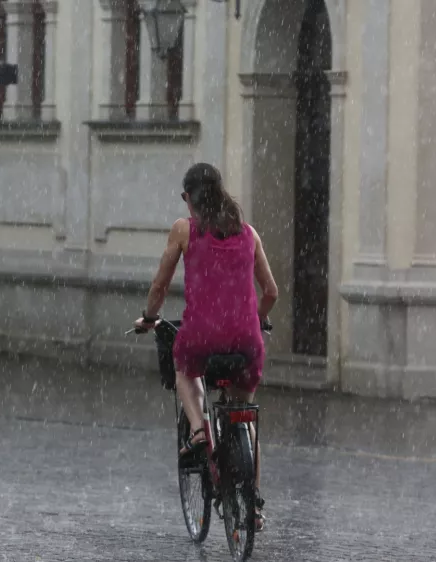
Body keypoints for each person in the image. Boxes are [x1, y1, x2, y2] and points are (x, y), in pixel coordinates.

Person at [133, 162, 278, 531]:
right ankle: (253, 506)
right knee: (244, 415)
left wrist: (149, 317)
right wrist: (256, 319)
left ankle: (198, 429)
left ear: (188, 198)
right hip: (246, 342)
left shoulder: (184, 230)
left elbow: (160, 285)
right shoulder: (249, 233)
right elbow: (271, 292)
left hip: (201, 336)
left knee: (185, 370)